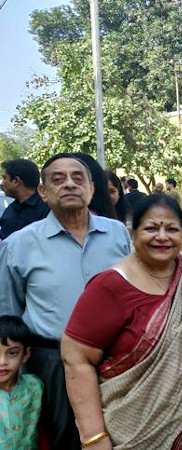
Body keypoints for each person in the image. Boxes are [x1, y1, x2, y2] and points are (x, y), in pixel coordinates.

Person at [61, 194, 182, 449]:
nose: (162, 237)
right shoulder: (109, 286)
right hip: (133, 431)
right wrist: (94, 437)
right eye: (151, 228)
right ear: (133, 234)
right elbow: (76, 358)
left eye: (171, 229)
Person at [0, 153, 131, 449]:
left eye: (78, 178)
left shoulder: (118, 235)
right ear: (43, 192)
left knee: (122, 434)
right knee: (65, 439)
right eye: (58, 179)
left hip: (116, 356)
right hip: (52, 362)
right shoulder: (19, 244)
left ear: (91, 189)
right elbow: (8, 314)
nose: (69, 184)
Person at [0, 315, 43, 450]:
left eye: (12, 353)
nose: (2, 362)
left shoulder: (35, 387)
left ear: (26, 354)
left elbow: (41, 431)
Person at [0, 158, 49, 240]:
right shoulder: (11, 209)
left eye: (5, 178)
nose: (2, 183)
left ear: (16, 181)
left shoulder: (48, 208)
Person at [73, 153, 116, 219]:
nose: (69, 184)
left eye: (77, 179)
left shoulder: (115, 226)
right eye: (58, 179)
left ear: (92, 187)